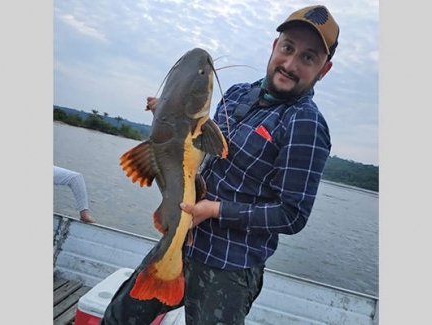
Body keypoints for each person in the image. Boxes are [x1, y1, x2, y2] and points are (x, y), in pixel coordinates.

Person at [102, 4, 338, 324]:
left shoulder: (305, 125)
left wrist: (213, 210)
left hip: (229, 266)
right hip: (182, 240)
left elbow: (291, 215)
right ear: (275, 46)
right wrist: (168, 117)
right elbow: (197, 147)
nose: (291, 63)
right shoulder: (238, 93)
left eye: (308, 57)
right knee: (119, 318)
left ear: (324, 70)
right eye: (288, 48)